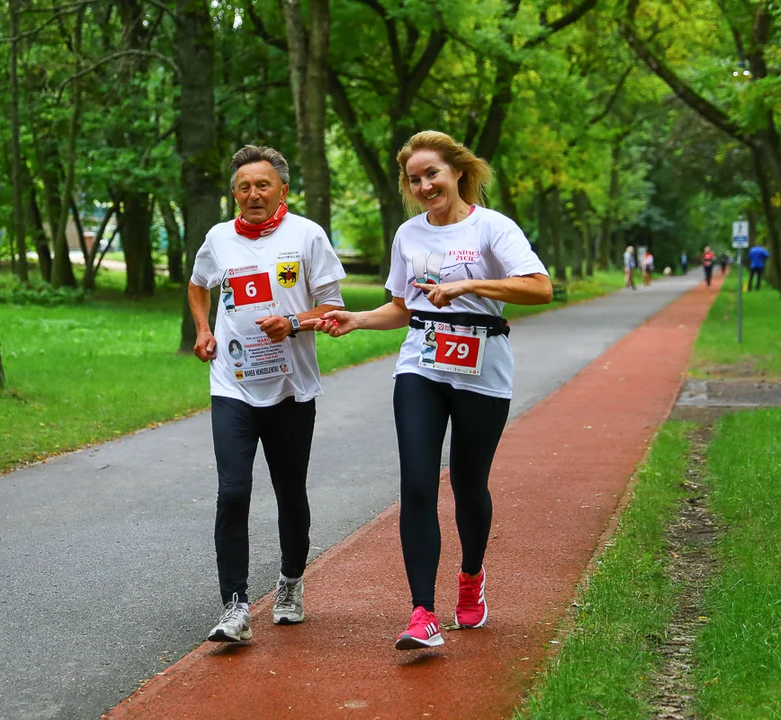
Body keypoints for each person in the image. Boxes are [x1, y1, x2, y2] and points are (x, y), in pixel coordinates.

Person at [314, 130, 551, 650]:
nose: (424, 185)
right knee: (417, 484)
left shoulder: (493, 228)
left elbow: (539, 287)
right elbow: (402, 307)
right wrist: (355, 319)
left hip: (483, 369)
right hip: (421, 364)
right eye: (414, 179)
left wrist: (468, 286)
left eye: (432, 174)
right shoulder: (409, 236)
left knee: (469, 486)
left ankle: (471, 576)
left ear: (457, 172)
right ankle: (422, 612)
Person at [188, 145, 346, 643]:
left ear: (282, 187)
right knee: (233, 491)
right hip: (232, 384)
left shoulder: (307, 234)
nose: (252, 194)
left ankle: (290, 583)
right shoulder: (218, 238)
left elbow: (333, 307)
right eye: (243, 187)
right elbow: (198, 285)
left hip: (291, 387)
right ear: (232, 194)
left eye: (262, 185)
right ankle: (234, 605)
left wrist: (295, 322)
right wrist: (201, 330)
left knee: (289, 492)